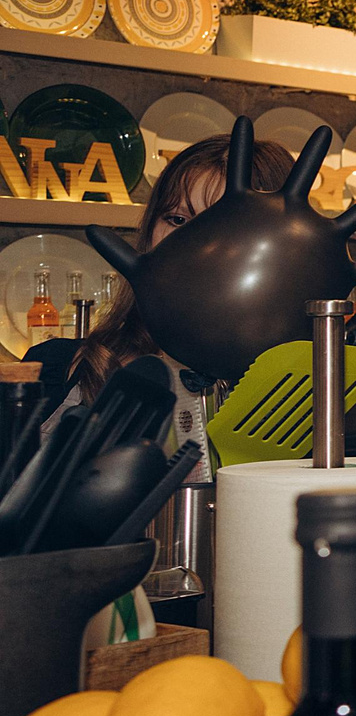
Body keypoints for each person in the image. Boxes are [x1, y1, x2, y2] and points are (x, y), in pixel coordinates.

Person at [31, 133, 296, 469]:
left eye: (222, 227)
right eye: (177, 220)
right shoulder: (54, 366)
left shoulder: (307, 389)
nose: (192, 245)